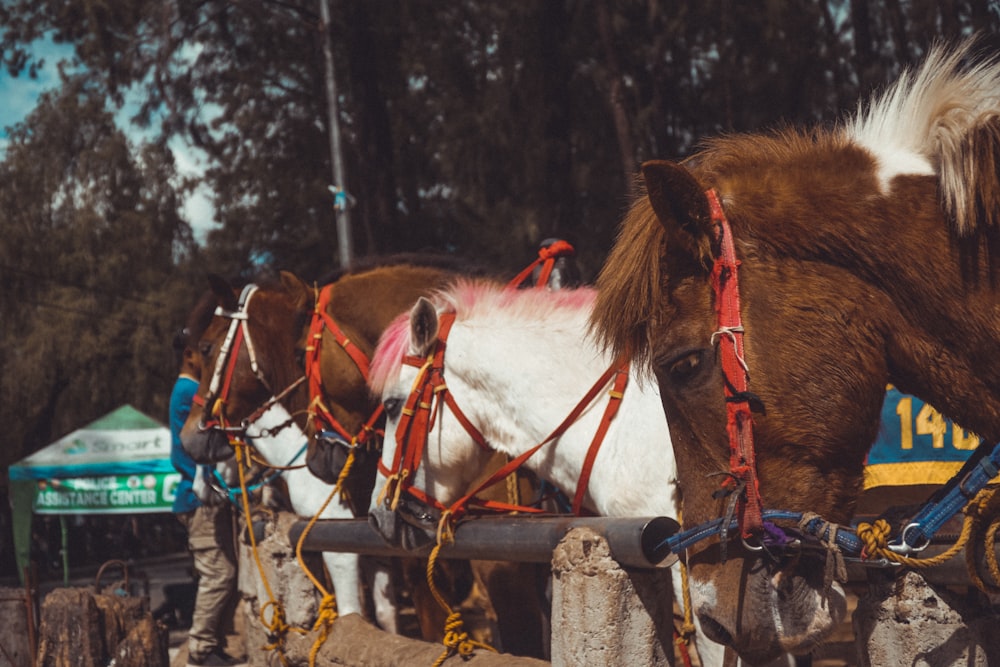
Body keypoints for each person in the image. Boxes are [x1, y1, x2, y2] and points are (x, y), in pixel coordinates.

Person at [170, 327, 245, 667]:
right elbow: (191, 447)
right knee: (219, 574)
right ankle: (199, 650)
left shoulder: (186, 390)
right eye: (206, 352)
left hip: (203, 497)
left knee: (226, 571)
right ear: (189, 355)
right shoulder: (189, 390)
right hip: (199, 499)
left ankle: (212, 646)